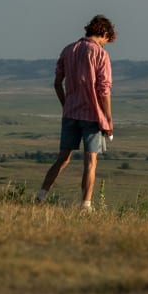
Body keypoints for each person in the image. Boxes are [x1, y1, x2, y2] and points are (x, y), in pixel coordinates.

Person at [36, 15, 116, 210]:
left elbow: (57, 82)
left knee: (63, 158)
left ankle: (41, 197)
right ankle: (85, 206)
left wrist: (66, 104)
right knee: (91, 161)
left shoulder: (68, 50)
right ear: (103, 33)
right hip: (93, 114)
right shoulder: (100, 54)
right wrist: (109, 118)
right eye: (107, 40)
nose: (106, 44)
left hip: (70, 113)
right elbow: (103, 90)